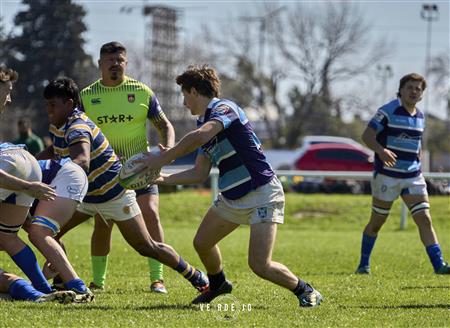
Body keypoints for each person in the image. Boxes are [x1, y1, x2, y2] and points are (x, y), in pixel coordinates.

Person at [138, 65, 323, 307]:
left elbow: (202, 136)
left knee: (260, 265)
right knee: (202, 242)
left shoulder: (225, 108)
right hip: (232, 197)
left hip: (262, 192)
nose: (184, 103)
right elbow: (198, 172)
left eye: (184, 95)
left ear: (194, 91)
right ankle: (218, 284)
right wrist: (162, 179)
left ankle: (305, 290)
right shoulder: (201, 123)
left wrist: (164, 157)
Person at [39, 77, 208, 297]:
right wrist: (31, 163)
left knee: (147, 246)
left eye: (53, 105)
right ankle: (63, 280)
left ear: (69, 104)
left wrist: (44, 170)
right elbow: (55, 150)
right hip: (87, 197)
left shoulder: (78, 127)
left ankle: (195, 275)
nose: (48, 110)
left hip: (113, 195)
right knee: (46, 233)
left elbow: (81, 161)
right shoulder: (59, 125)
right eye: (47, 105)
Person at [79, 41, 175, 293]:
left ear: (126, 63)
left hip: (140, 171)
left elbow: (165, 126)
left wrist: (168, 150)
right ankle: (98, 282)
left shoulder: (142, 92)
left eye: (120, 60)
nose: (115, 65)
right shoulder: (87, 96)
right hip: (103, 174)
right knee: (103, 223)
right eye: (110, 60)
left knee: (151, 214)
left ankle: (158, 278)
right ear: (100, 64)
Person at [355, 73, 450, 275]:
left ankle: (439, 265)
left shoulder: (421, 117)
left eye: (418, 88)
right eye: (410, 87)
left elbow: (416, 145)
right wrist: (381, 151)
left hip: (412, 176)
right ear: (402, 89)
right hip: (386, 176)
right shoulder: (387, 111)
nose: (414, 91)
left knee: (424, 218)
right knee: (377, 222)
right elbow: (367, 136)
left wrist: (418, 160)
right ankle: (363, 264)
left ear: (422, 94)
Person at [0, 66, 75, 303]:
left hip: (12, 164)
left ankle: (35, 293)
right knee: (8, 238)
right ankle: (43, 290)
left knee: (6, 240)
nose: (10, 99)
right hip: (26, 160)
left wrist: (25, 187)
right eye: (7, 91)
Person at [23, 157, 93, 302]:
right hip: (62, 173)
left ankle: (79, 288)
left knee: (38, 233)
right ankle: (55, 283)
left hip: (63, 175)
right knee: (36, 232)